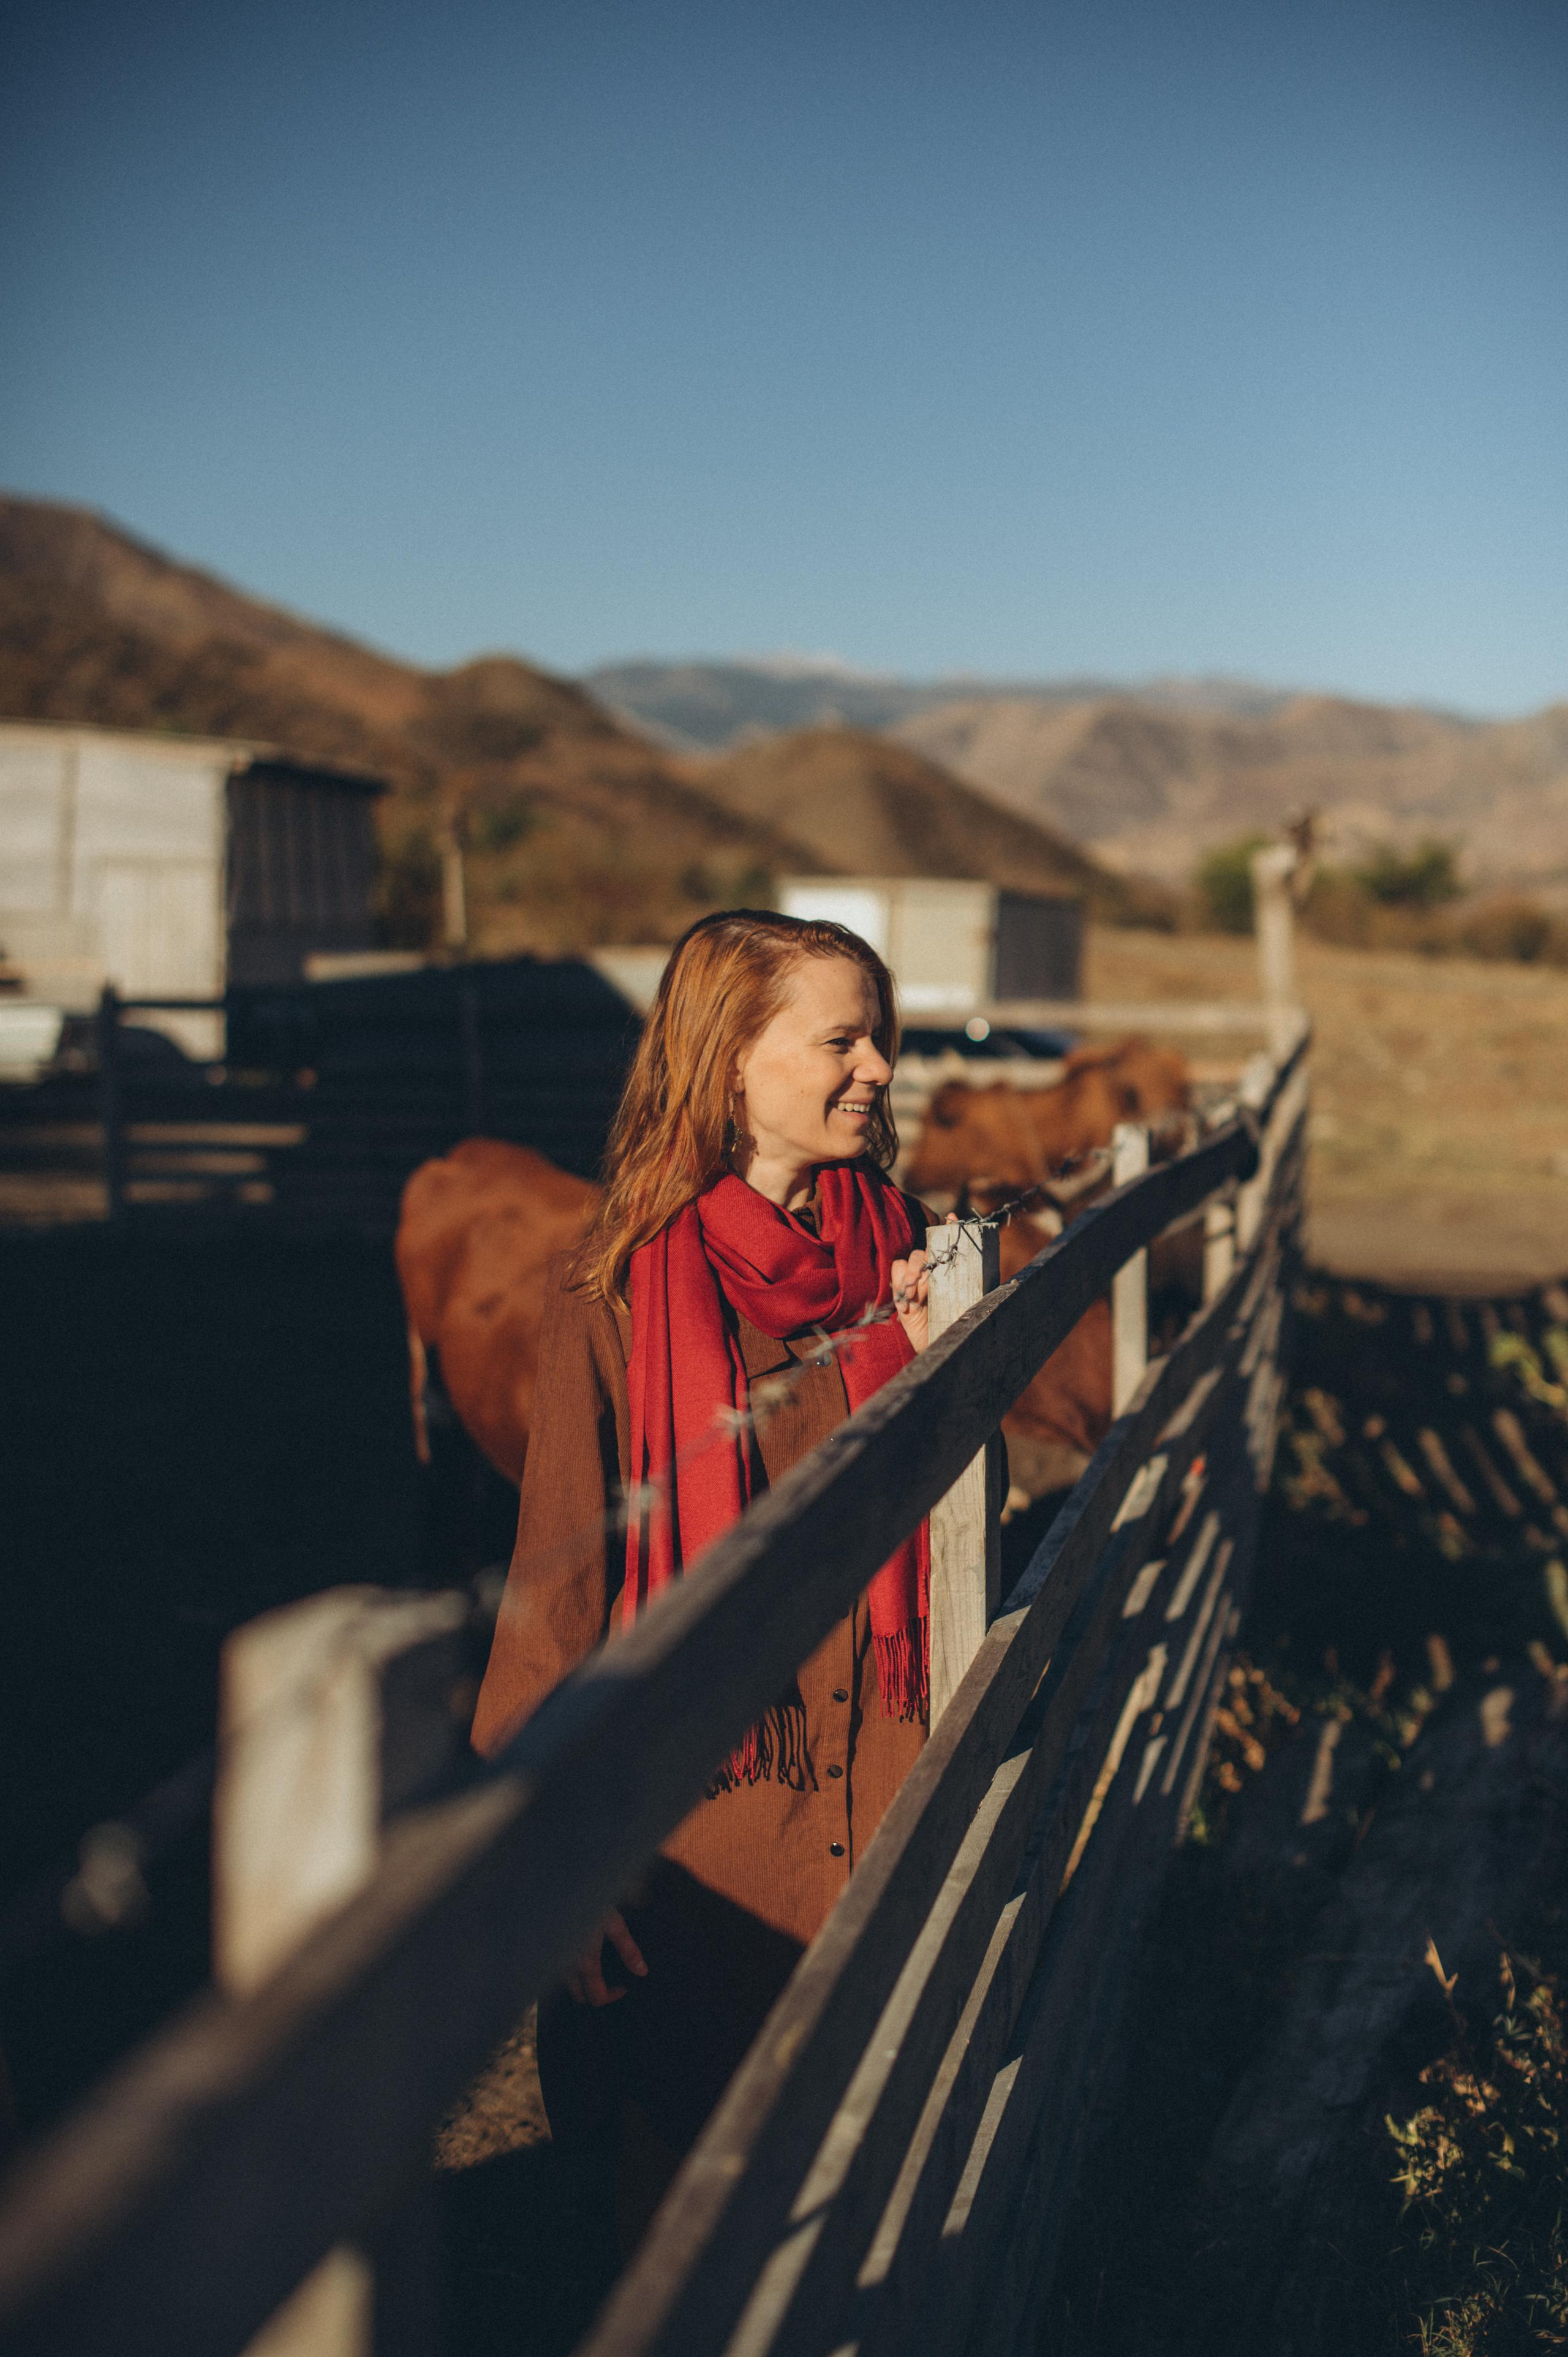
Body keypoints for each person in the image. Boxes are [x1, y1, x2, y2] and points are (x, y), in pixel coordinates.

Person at [470, 908, 938, 2245]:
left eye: (879, 1038)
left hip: (895, 1789)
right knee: (690, 2219)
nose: (879, 1071)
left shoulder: (907, 1247)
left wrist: (928, 1344)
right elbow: (552, 1598)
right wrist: (564, 1858)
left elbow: (958, 1518)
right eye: (841, 1040)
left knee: (874, 2199)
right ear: (730, 1059)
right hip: (710, 1836)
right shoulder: (615, 1293)